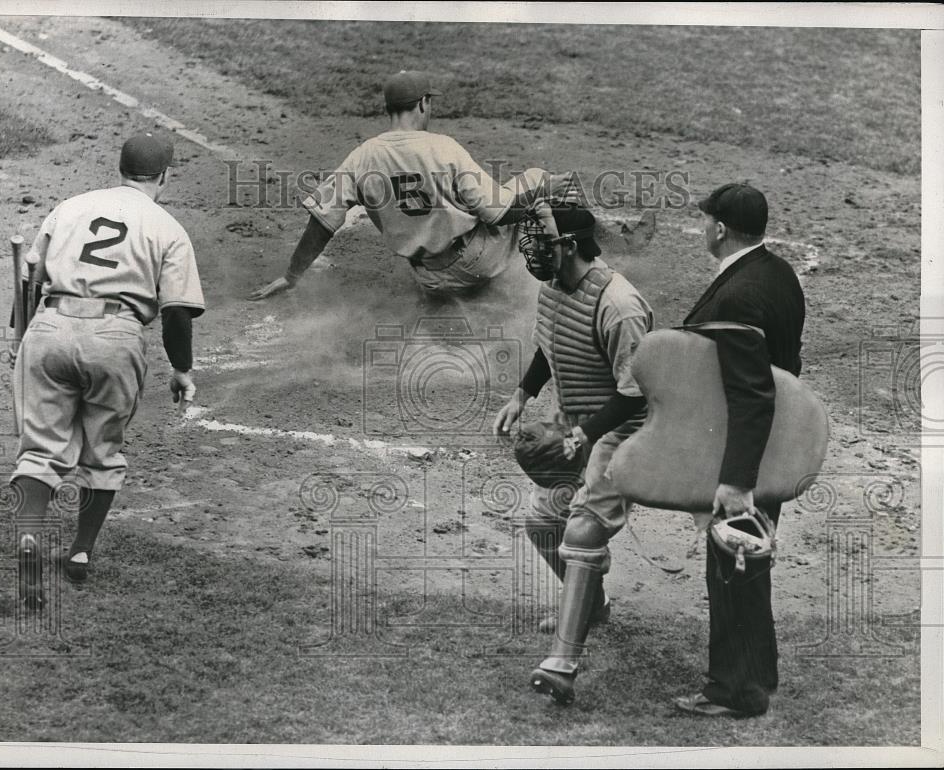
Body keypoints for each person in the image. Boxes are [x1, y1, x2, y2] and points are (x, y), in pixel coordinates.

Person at [12, 132, 205, 609]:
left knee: (39, 450)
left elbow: (28, 279)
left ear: (118, 168)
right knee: (102, 453)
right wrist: (182, 370)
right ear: (164, 176)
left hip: (49, 325)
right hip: (115, 336)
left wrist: (23, 337)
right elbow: (177, 311)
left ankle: (30, 538)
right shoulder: (167, 226)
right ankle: (80, 553)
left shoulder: (69, 207)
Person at [491, 201, 654, 704]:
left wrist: (587, 436)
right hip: (579, 424)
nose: (533, 250)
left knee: (581, 530)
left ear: (571, 245)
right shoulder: (556, 289)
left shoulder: (620, 306)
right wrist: (522, 393)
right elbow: (550, 344)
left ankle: (563, 661)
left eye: (543, 241)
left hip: (623, 432)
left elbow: (638, 391)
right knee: (544, 524)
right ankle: (594, 603)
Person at [248, 70, 576, 301]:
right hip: (478, 265)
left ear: (389, 109)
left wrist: (292, 276)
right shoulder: (443, 147)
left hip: (431, 282)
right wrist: (541, 193)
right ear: (422, 104)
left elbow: (321, 223)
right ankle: (580, 258)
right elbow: (498, 214)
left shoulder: (362, 157)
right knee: (534, 179)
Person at [673, 183, 805, 717]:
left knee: (731, 566)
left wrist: (736, 480)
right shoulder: (778, 272)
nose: (703, 228)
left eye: (706, 221)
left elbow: (751, 393)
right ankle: (759, 673)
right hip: (774, 441)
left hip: (746, 451)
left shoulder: (738, 295)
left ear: (721, 228)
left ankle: (734, 691)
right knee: (752, 564)